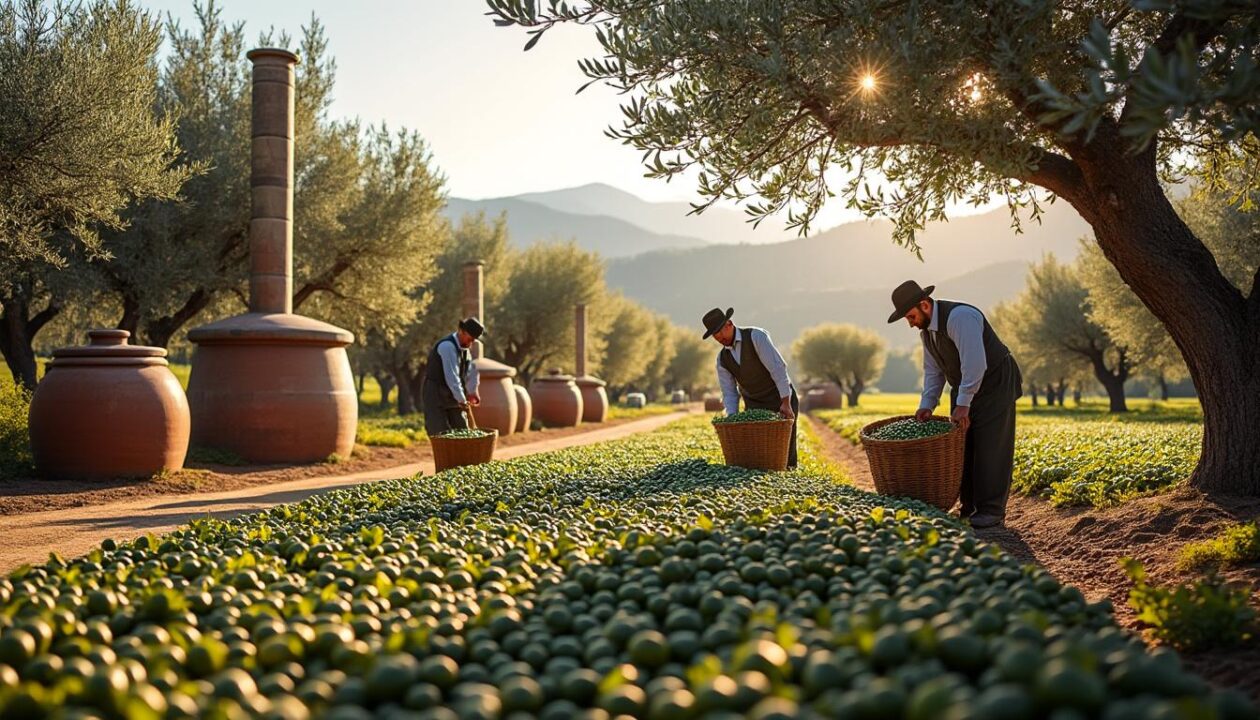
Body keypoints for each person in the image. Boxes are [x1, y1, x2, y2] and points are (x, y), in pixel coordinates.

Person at [887, 281, 1022, 528]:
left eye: (911, 316)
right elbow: (933, 372)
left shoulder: (961, 318)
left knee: (991, 446)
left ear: (925, 305)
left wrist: (963, 403)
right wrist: (927, 404)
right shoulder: (927, 333)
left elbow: (975, 365)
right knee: (963, 444)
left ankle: (991, 510)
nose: (910, 322)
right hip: (965, 384)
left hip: (995, 382)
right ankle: (968, 506)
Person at [701, 307, 800, 469]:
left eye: (719, 331)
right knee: (758, 453)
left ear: (729, 324)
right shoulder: (722, 360)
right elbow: (730, 394)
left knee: (784, 451)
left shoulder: (756, 337)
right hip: (754, 404)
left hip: (780, 399)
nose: (718, 337)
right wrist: (732, 419)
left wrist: (786, 403)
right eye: (714, 334)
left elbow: (778, 369)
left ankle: (788, 477)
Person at [422, 317, 484, 435]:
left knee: (462, 429)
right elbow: (452, 376)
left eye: (473, 341)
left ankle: (463, 454)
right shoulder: (447, 347)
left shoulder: (465, 350)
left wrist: (472, 392)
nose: (470, 344)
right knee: (440, 432)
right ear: (461, 331)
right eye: (469, 339)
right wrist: (461, 399)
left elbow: (470, 372)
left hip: (452, 394)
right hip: (435, 393)